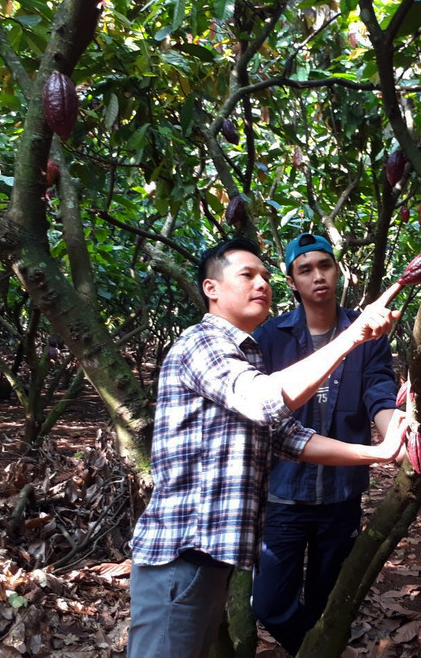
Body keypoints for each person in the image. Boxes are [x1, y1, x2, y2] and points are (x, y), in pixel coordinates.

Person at [127, 237, 405, 658]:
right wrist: (353, 337)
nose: (261, 284)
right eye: (246, 275)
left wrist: (379, 453)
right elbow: (266, 400)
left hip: (212, 554)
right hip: (182, 550)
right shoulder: (204, 344)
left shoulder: (245, 354)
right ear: (211, 289)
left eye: (263, 276)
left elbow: (287, 437)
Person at [250, 233, 398, 655]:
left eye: (325, 265)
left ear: (339, 271)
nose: (318, 276)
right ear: (292, 281)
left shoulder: (368, 335)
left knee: (326, 602)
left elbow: (379, 396)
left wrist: (396, 434)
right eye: (306, 269)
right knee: (270, 604)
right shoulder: (270, 337)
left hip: (340, 496)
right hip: (283, 496)